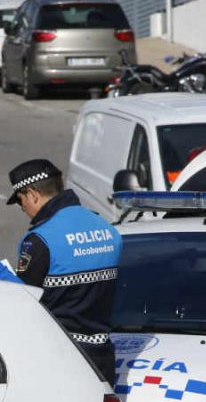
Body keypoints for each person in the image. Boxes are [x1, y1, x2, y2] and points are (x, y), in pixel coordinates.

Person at [7, 158, 122, 382]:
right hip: (103, 358)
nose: (22, 208)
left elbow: (24, 303)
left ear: (33, 194)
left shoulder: (40, 240)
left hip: (60, 359)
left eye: (20, 200)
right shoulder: (108, 230)